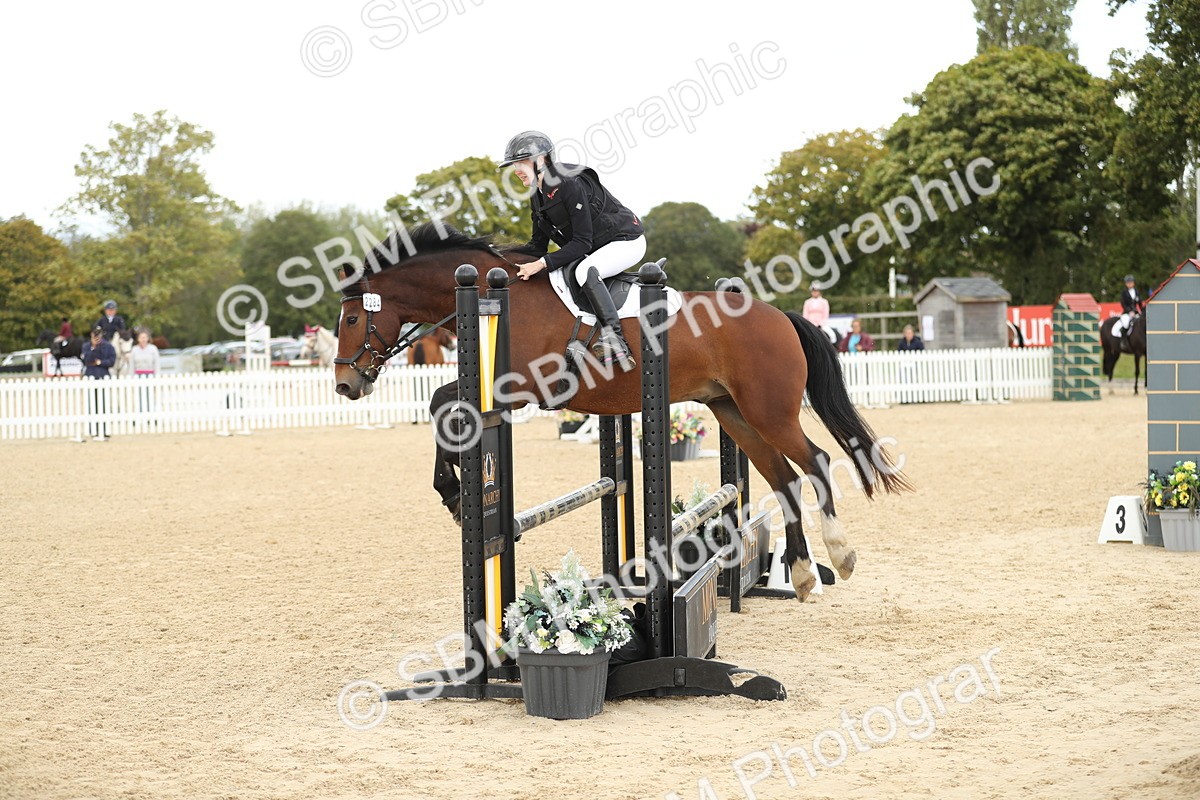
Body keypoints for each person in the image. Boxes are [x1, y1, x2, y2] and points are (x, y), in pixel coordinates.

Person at [500, 130, 645, 371]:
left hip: (626, 240)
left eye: (520, 162)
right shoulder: (538, 194)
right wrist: (503, 257)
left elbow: (581, 244)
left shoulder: (569, 184)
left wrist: (541, 264)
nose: (515, 170)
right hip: (597, 247)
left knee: (584, 271)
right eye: (514, 164)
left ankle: (616, 340)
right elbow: (537, 246)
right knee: (560, 273)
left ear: (540, 160)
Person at [80, 325, 116, 440]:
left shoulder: (108, 346)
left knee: (104, 404)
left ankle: (105, 430)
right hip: (91, 375)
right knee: (92, 404)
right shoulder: (86, 346)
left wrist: (100, 362)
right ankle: (93, 430)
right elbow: (86, 360)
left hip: (103, 375)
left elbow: (111, 361)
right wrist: (93, 348)